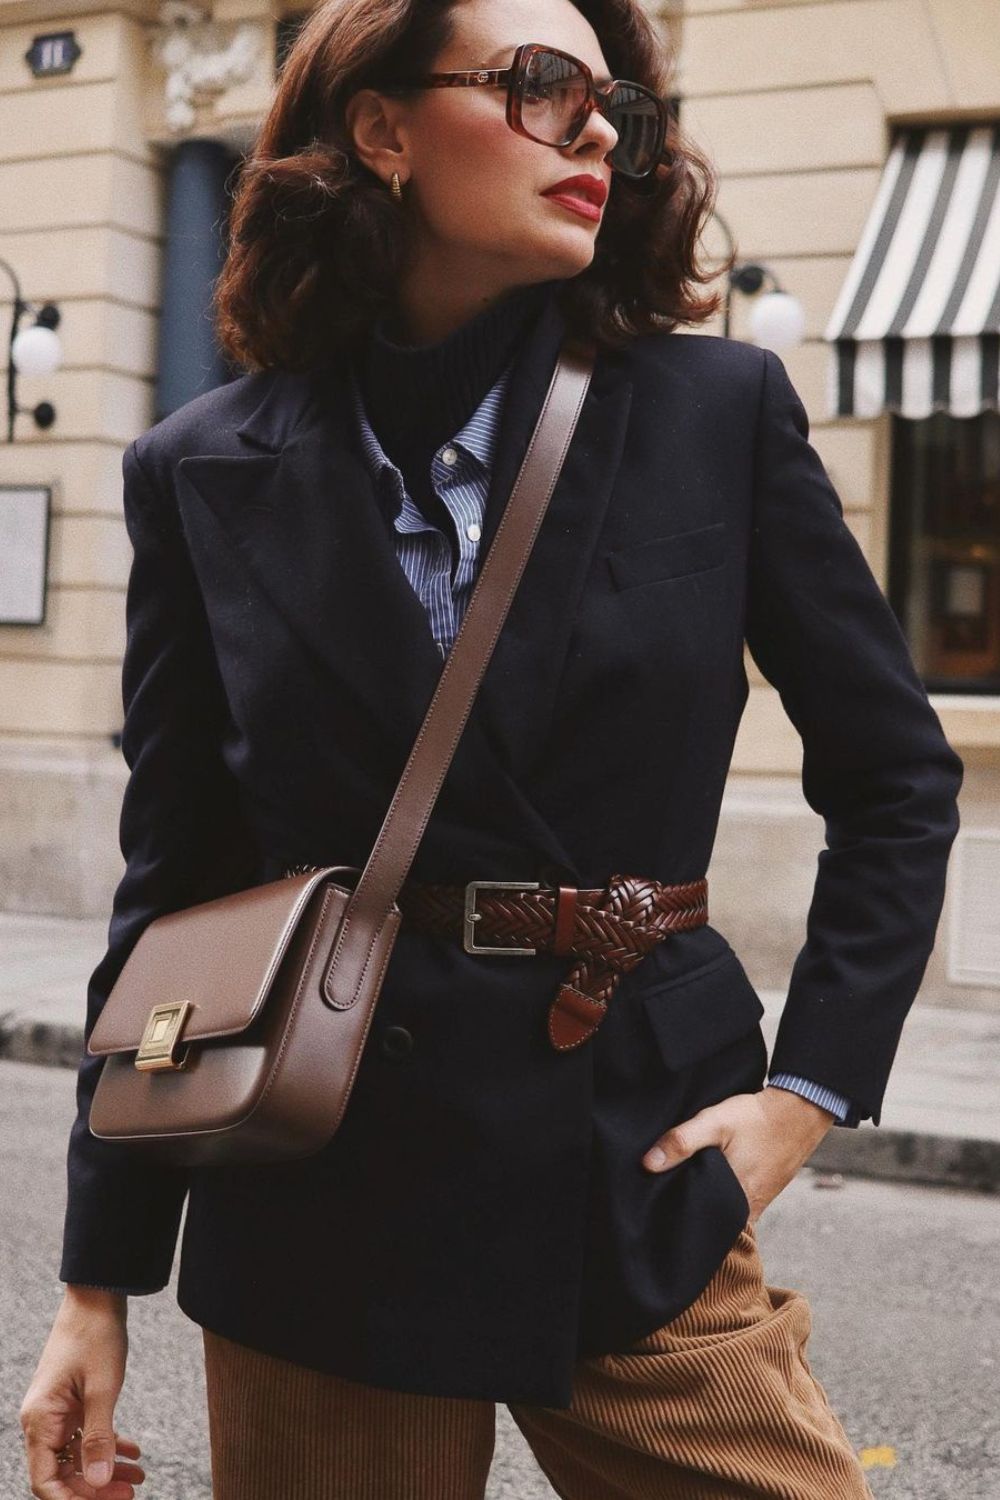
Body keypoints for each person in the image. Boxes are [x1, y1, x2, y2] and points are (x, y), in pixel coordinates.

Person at [20, 0, 964, 1494]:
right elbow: (177, 889)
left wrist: (810, 1096)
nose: (594, 127)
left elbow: (898, 780)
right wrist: (96, 1282)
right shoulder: (200, 469)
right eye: (538, 85)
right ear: (383, 129)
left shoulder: (714, 414)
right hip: (318, 1185)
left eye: (612, 104)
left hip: (637, 1165)